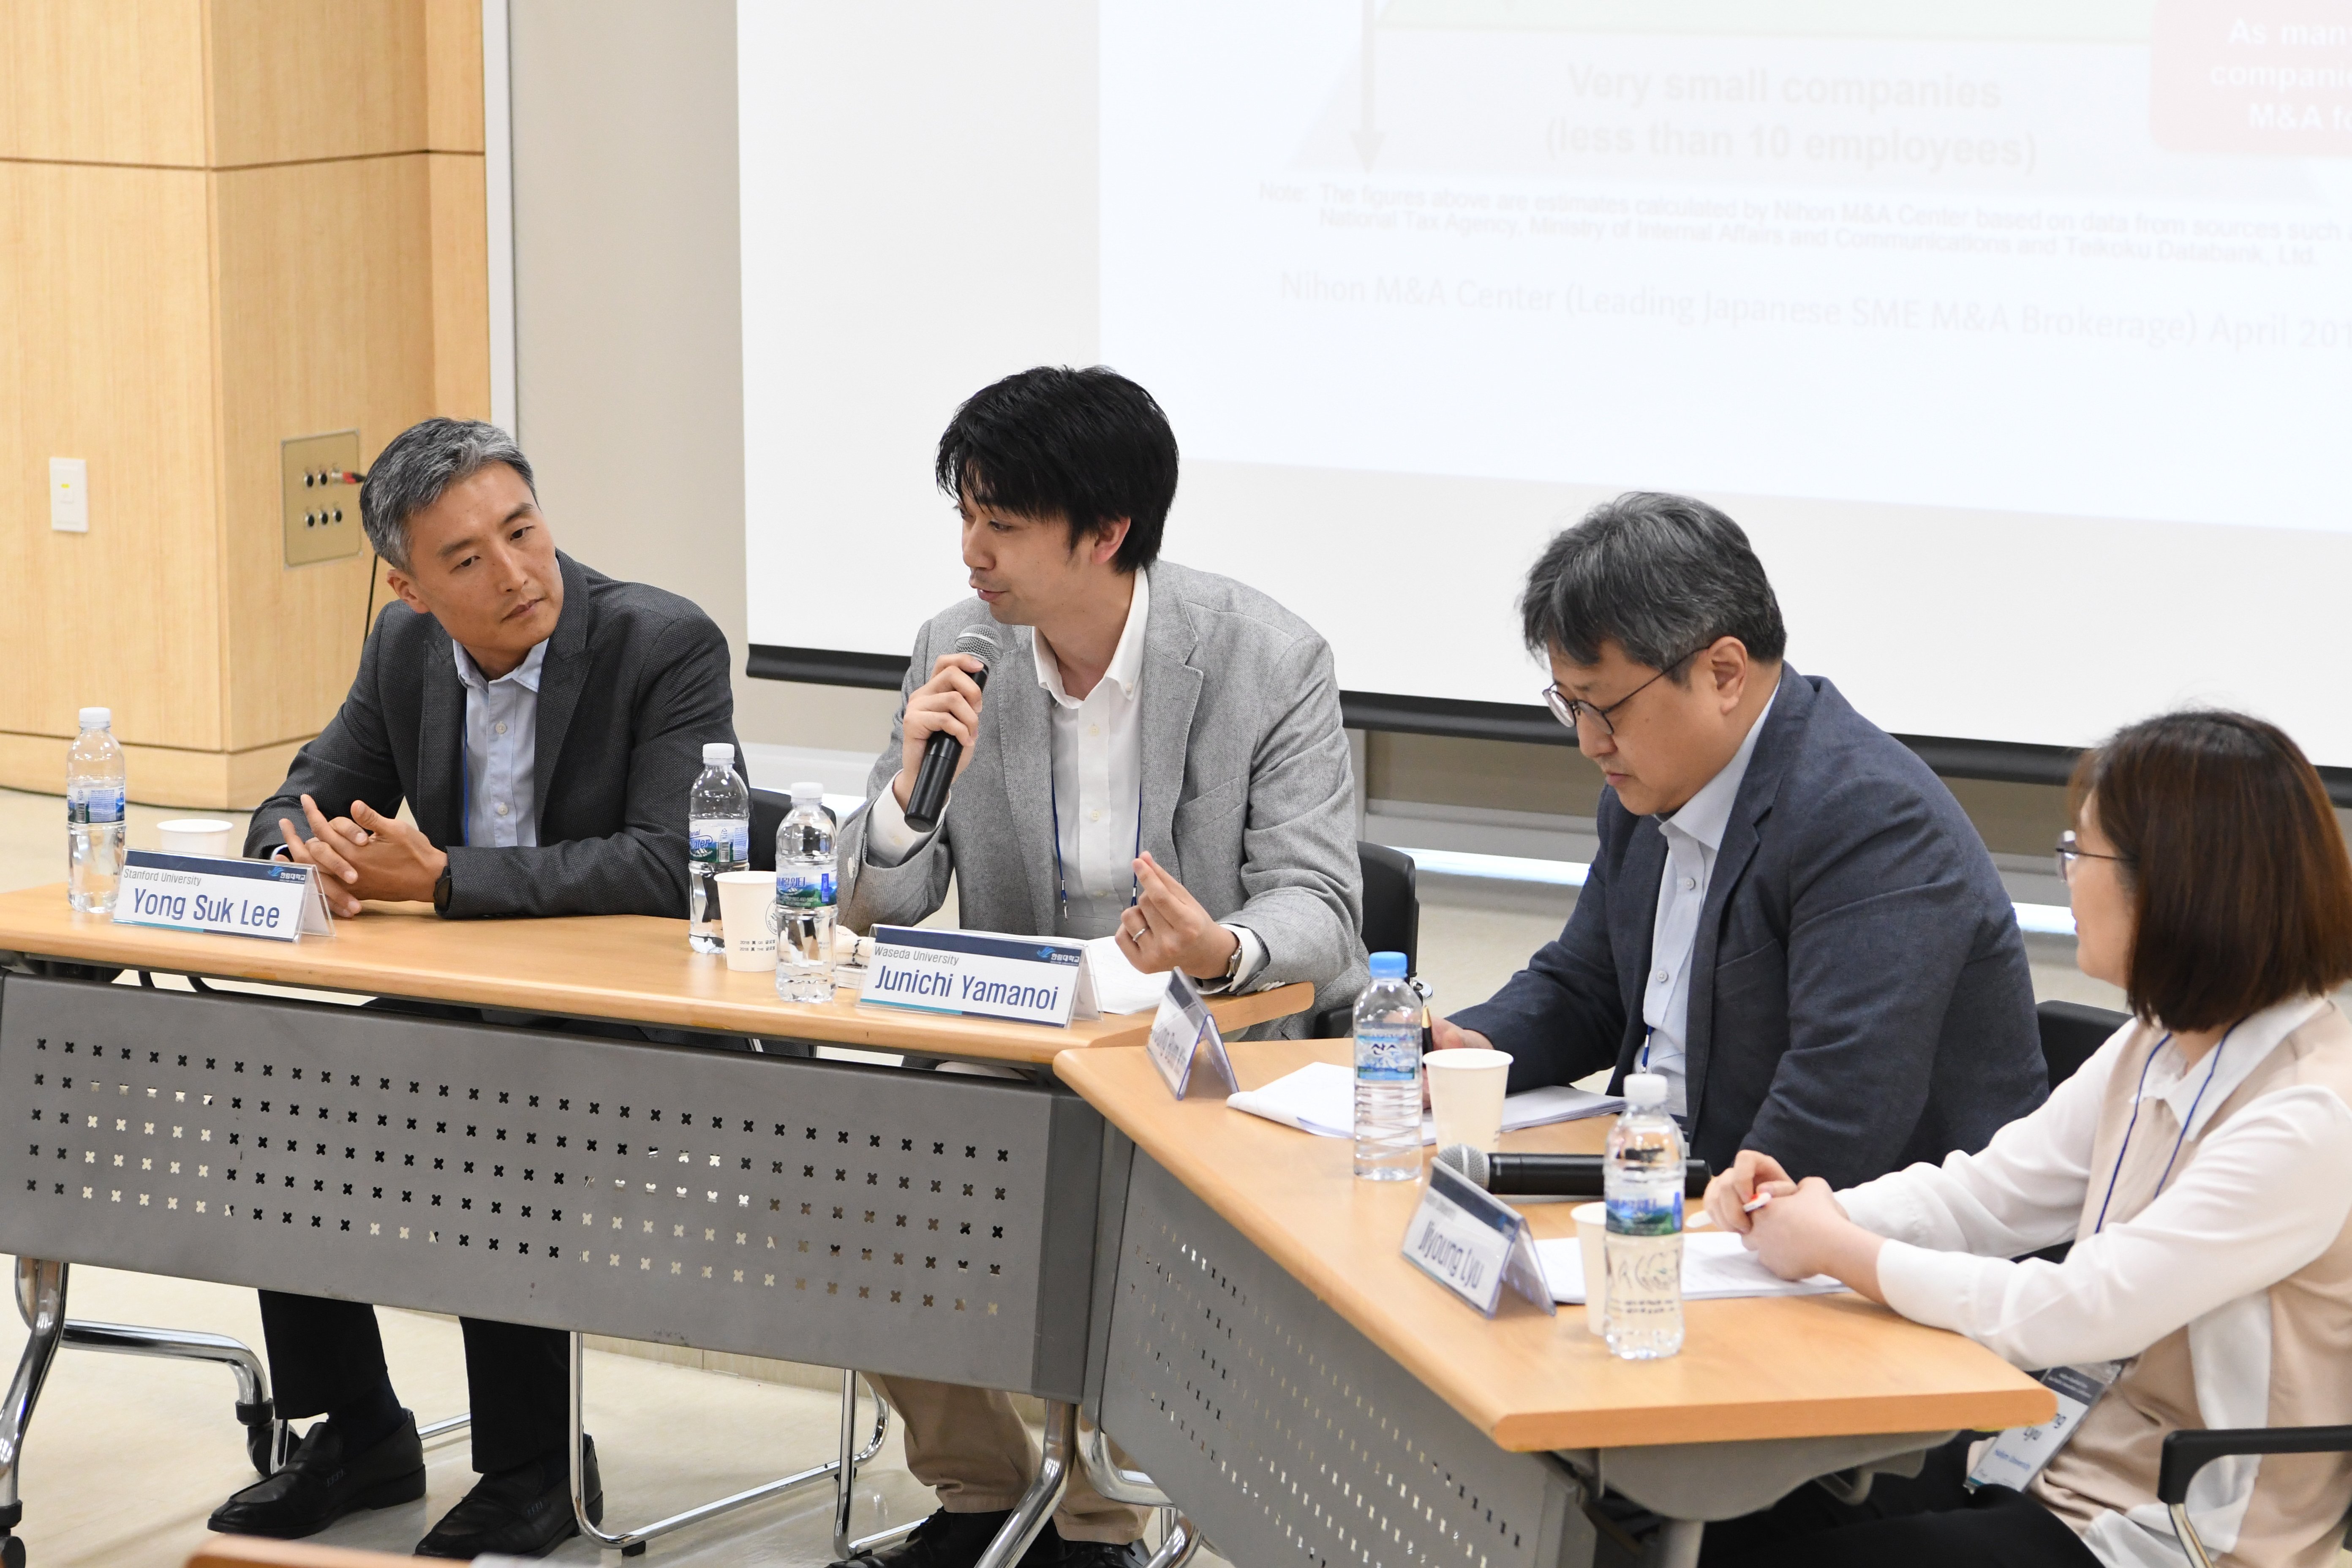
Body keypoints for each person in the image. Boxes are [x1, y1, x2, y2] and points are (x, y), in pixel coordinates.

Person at [834, 365, 1367, 1568]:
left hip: (1197, 1064)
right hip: (1017, 1052)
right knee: (844, 1175)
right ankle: (977, 1492)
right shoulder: (955, 648)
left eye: (1002, 524)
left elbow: (1324, 907)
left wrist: (1218, 948)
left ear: (1107, 533)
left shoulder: (1265, 659)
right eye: (964, 515)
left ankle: (1098, 1522)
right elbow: (880, 908)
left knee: (1120, 1209)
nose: (972, 551)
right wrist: (909, 803)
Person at [209, 418, 739, 1559]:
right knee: (278, 1101)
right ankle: (357, 1433)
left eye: (523, 531)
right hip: (467, 1004)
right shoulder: (403, 654)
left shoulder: (664, 643)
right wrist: (289, 855)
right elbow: (302, 792)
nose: (514, 574)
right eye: (467, 561)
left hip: (630, 1027)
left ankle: (537, 1465)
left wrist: (449, 877)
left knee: (491, 1115)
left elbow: (672, 860)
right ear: (408, 589)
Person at [1701, 710, 2352, 1568]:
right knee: (1735, 1511)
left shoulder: (2310, 1113)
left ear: (2180, 883)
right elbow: (1987, 1194)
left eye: (2082, 852)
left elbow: (2077, 1308)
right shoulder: (2156, 1039)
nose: (2067, 877)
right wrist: (1796, 1213)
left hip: (2174, 1529)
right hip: (2048, 1460)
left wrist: (1843, 1249)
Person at [1432, 493, 2046, 1190]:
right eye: (1570, 705)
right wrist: (1474, 1046)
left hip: (1852, 1238)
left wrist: (1669, 1214)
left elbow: (1839, 1108)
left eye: (1604, 706)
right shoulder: (1647, 790)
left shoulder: (1870, 820)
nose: (1587, 741)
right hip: (1663, 1177)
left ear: (1723, 673)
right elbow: (1589, 987)